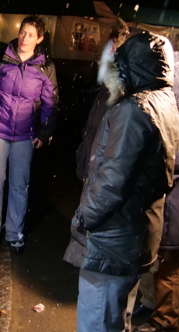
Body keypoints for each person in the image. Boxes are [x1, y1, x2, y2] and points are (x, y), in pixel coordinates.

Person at [73, 31, 179, 332]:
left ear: (132, 68)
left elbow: (112, 180)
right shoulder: (164, 101)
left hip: (115, 237)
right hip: (137, 234)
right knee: (119, 318)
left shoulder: (134, 109)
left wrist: (84, 217)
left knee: (99, 321)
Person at [0, 15, 59, 254]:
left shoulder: (45, 67)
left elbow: (51, 103)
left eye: (31, 34)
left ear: (39, 39)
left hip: (25, 135)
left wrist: (44, 131)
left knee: (19, 184)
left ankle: (14, 232)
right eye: (23, 32)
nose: (25, 38)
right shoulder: (0, 58)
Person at [133, 52, 179, 332]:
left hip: (176, 201)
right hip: (173, 198)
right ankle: (152, 304)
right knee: (157, 252)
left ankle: (165, 318)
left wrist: (156, 179)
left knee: (167, 259)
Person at [63, 18, 130, 268]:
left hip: (102, 175)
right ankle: (87, 261)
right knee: (86, 221)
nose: (107, 56)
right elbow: (93, 129)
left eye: (114, 50)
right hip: (92, 168)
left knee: (95, 225)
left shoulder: (125, 97)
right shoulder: (106, 91)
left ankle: (94, 266)